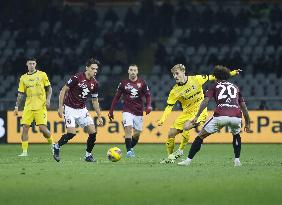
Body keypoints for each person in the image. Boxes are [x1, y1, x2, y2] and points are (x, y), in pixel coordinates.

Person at [157, 64, 241, 163]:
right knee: (171, 133)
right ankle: (170, 157)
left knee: (186, 126)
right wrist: (162, 119)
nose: (175, 76)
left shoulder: (197, 79)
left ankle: (180, 150)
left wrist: (232, 73)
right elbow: (169, 107)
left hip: (199, 111)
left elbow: (214, 77)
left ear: (183, 72)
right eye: (173, 74)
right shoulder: (174, 91)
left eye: (177, 73)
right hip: (187, 113)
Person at [178, 65, 252, 166]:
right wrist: (247, 123)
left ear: (216, 77)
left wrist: (197, 116)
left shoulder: (214, 85)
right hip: (236, 116)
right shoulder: (235, 87)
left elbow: (206, 101)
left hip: (220, 116)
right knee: (236, 135)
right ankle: (237, 161)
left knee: (200, 137)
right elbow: (244, 108)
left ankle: (188, 161)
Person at [52, 58, 103, 162]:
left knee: (93, 132)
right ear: (87, 68)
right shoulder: (77, 77)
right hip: (69, 108)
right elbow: (63, 90)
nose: (95, 71)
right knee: (71, 133)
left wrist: (99, 116)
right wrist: (60, 107)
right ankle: (56, 146)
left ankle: (88, 155)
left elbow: (95, 101)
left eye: (96, 69)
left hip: (82, 109)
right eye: (93, 69)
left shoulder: (95, 83)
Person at [108, 64, 152, 157]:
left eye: (135, 70)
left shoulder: (142, 83)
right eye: (131, 70)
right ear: (128, 71)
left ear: (137, 71)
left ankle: (129, 148)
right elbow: (116, 98)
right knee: (128, 129)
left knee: (137, 134)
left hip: (139, 111)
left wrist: (148, 106)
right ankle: (129, 152)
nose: (133, 72)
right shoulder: (123, 83)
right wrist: (111, 111)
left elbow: (148, 95)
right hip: (127, 110)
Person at [14, 57, 53, 157]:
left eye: (33, 63)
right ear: (27, 64)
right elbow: (20, 94)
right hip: (28, 106)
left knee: (42, 129)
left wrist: (48, 99)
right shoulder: (23, 78)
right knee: (25, 127)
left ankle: (53, 144)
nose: (31, 65)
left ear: (35, 64)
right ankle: (24, 152)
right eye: (30, 63)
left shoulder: (42, 75)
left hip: (40, 106)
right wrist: (16, 107)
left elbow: (49, 89)